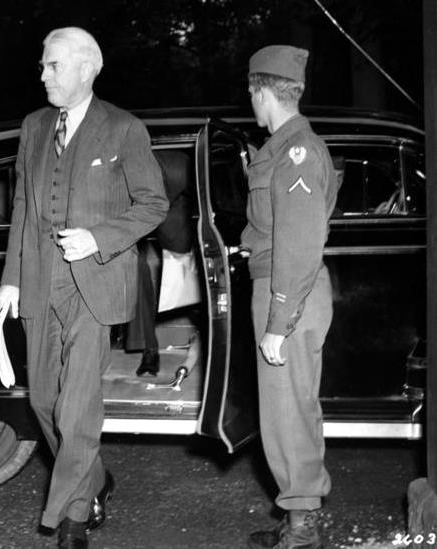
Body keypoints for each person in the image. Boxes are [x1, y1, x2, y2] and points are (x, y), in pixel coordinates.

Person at [0, 27, 168, 549]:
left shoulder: (123, 128)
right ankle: (94, 479)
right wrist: (10, 279)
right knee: (44, 401)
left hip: (94, 288)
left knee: (77, 410)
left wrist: (99, 238)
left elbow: (153, 204)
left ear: (87, 67)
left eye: (53, 65)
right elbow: (23, 207)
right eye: (44, 66)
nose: (43, 74)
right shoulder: (33, 126)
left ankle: (71, 519)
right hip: (40, 285)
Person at [242, 45, 339, 549]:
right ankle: (297, 515)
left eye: (252, 94)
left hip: (288, 292)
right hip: (288, 287)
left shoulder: (295, 151)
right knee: (291, 408)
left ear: (263, 92)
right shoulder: (286, 148)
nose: (251, 104)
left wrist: (278, 321)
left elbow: (299, 247)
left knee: (287, 413)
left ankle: (302, 530)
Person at [124, 150, 195, 376]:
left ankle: (202, 330)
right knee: (133, 266)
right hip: (131, 213)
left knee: (182, 261)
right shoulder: (120, 174)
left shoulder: (180, 169)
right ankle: (149, 349)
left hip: (172, 208)